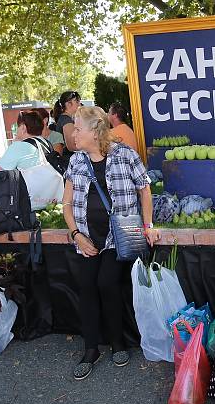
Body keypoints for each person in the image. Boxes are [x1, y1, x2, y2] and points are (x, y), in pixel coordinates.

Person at [62, 106, 160, 380]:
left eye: (78, 128)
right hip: (86, 236)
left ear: (95, 131)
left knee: (107, 283)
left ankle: (118, 343)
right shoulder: (76, 161)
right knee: (87, 287)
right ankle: (90, 349)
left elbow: (145, 190)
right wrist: (76, 235)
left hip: (118, 236)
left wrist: (148, 226)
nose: (73, 134)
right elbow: (67, 203)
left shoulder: (125, 154)